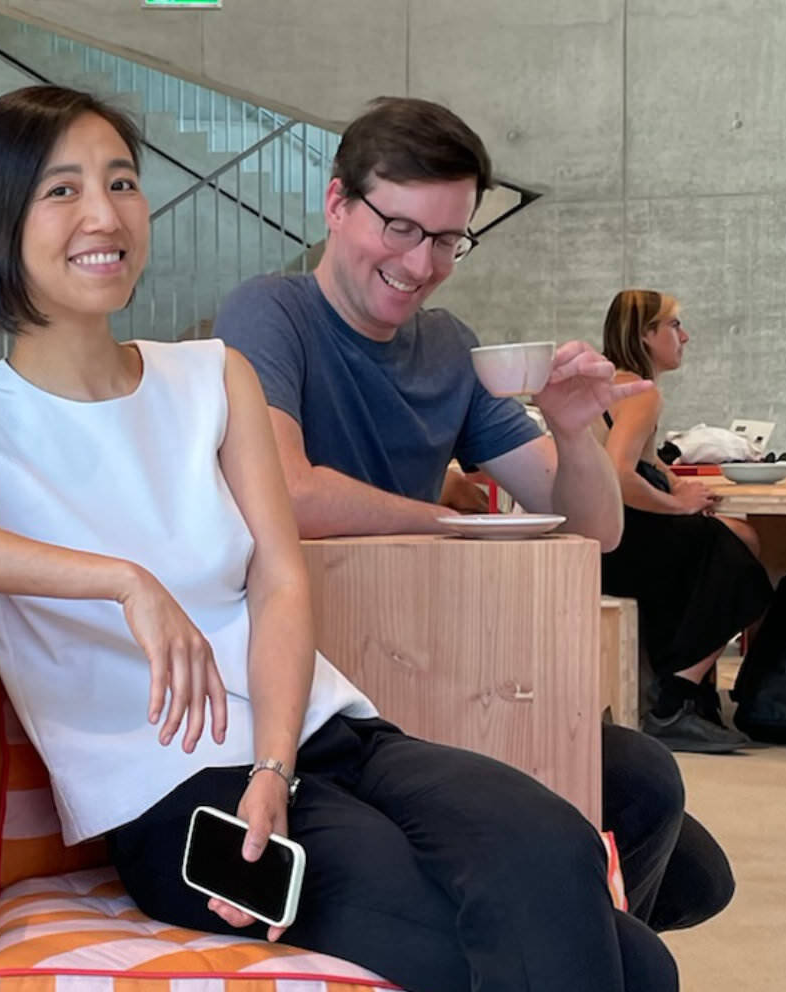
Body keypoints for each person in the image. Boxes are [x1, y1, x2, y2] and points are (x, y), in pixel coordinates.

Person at [0, 85, 676, 992]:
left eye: (121, 182)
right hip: (180, 803)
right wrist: (121, 581)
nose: (106, 215)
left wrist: (276, 765)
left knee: (554, 847)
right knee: (627, 968)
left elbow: (283, 583)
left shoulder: (211, 376)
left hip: (318, 739)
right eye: (61, 191)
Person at [212, 97, 734, 934]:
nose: (423, 265)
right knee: (638, 811)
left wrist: (571, 431)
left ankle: (557, 959)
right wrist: (448, 519)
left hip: (452, 664)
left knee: (680, 843)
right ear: (337, 204)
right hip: (318, 686)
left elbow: (595, 530)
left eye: (449, 239)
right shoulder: (268, 315)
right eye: (402, 229)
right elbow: (288, 493)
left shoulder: (452, 347)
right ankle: (561, 961)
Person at [596, 289, 771, 751]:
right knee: (743, 563)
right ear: (646, 335)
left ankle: (691, 692)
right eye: (674, 326)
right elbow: (616, 473)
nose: (685, 336)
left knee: (733, 539)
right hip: (622, 548)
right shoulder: (641, 392)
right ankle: (677, 697)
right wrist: (679, 505)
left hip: (604, 542)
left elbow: (638, 460)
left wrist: (672, 484)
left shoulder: (610, 384)